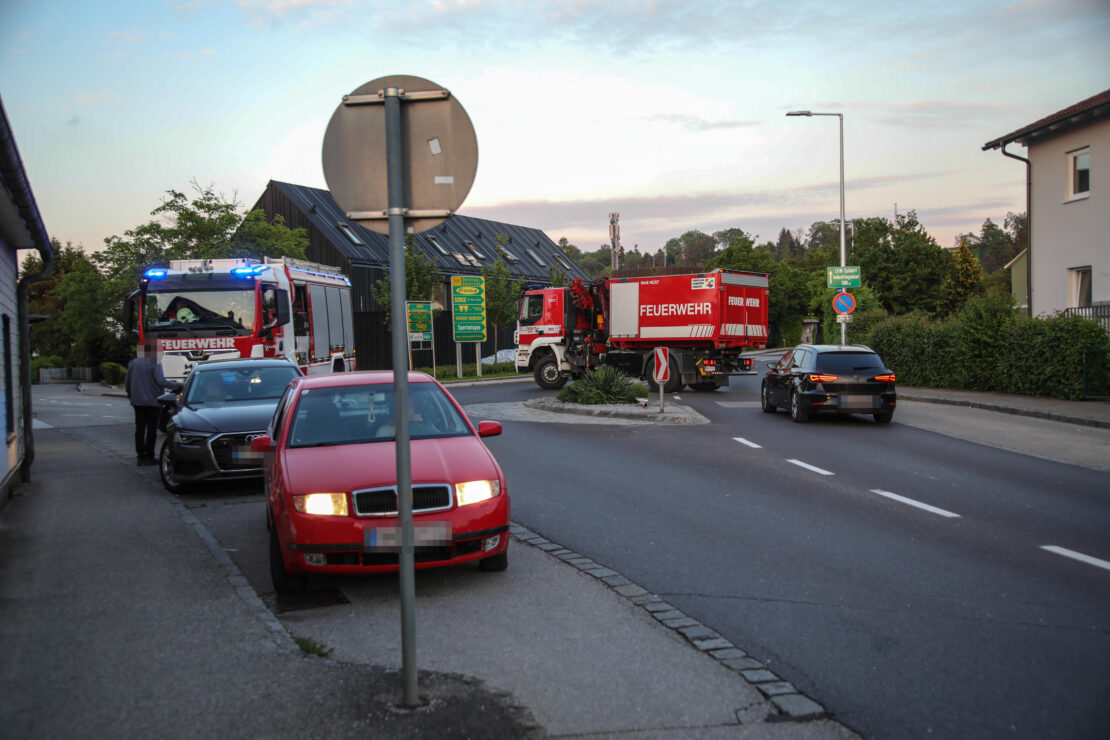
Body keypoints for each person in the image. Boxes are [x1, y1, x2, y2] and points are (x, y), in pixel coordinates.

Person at [125, 345, 182, 466]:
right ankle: (149, 456)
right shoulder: (154, 363)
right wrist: (178, 385)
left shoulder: (133, 363)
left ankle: (140, 456)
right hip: (153, 401)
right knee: (151, 429)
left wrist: (130, 395)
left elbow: (127, 382)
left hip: (137, 401)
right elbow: (161, 381)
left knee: (140, 428)